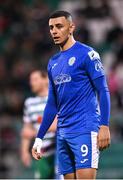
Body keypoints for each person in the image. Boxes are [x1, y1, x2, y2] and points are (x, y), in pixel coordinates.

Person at [32, 11, 111, 179]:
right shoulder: (53, 62)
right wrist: (39, 137)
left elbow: (103, 90)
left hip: (84, 128)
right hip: (62, 133)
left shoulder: (87, 54)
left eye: (59, 26)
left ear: (71, 27)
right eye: (51, 27)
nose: (54, 31)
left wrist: (104, 125)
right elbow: (52, 104)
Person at [21, 70, 57, 179]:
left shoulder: (56, 98)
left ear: (46, 79)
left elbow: (56, 125)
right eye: (30, 80)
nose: (32, 83)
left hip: (57, 151)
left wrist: (34, 133)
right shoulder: (29, 103)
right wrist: (24, 151)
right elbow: (26, 129)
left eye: (35, 79)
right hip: (41, 155)